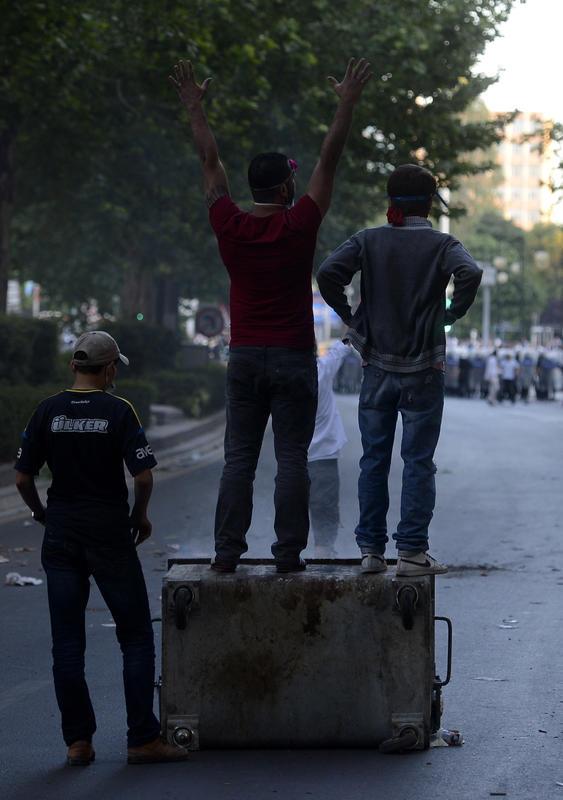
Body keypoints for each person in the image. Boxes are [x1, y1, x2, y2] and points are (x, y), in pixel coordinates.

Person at [169, 58, 371, 573]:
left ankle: (226, 553)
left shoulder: (228, 223)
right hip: (292, 359)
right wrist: (346, 104)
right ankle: (287, 555)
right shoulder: (299, 225)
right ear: (284, 190)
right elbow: (330, 159)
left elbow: (209, 160)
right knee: (292, 460)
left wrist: (194, 107)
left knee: (237, 458)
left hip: (244, 358)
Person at [14, 331, 187, 766]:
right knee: (135, 636)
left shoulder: (47, 410)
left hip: (61, 533)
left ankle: (78, 742)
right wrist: (139, 516)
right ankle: (142, 738)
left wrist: (41, 513)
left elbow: (22, 477)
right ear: (109, 369)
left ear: (73, 366)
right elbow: (143, 476)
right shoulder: (119, 410)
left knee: (67, 643)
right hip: (109, 533)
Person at [317, 164, 482, 576]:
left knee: (374, 459)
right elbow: (471, 272)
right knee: (418, 462)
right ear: (429, 205)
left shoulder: (368, 240)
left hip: (376, 367)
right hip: (425, 368)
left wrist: (352, 317)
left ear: (391, 202)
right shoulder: (443, 244)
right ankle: (411, 553)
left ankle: (371, 551)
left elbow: (328, 272)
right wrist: (450, 314)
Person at [308, 341, 350, 558]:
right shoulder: (321, 369)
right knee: (325, 504)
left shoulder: (283, 377)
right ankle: (323, 549)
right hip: (324, 455)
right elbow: (342, 347)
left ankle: (288, 550)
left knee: (291, 503)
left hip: (292, 455)